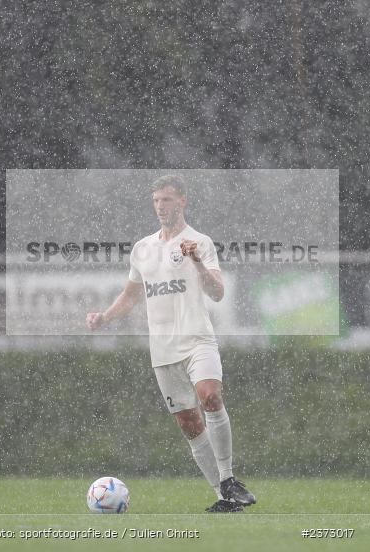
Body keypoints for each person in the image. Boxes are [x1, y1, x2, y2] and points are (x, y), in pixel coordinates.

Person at [86, 174, 256, 512]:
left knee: (210, 395)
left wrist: (194, 261)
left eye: (167, 199)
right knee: (189, 424)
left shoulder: (200, 242)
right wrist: (105, 317)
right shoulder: (143, 249)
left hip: (197, 340)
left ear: (182, 201)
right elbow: (131, 295)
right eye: (156, 201)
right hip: (163, 350)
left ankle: (229, 478)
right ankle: (225, 498)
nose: (161, 206)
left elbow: (218, 293)